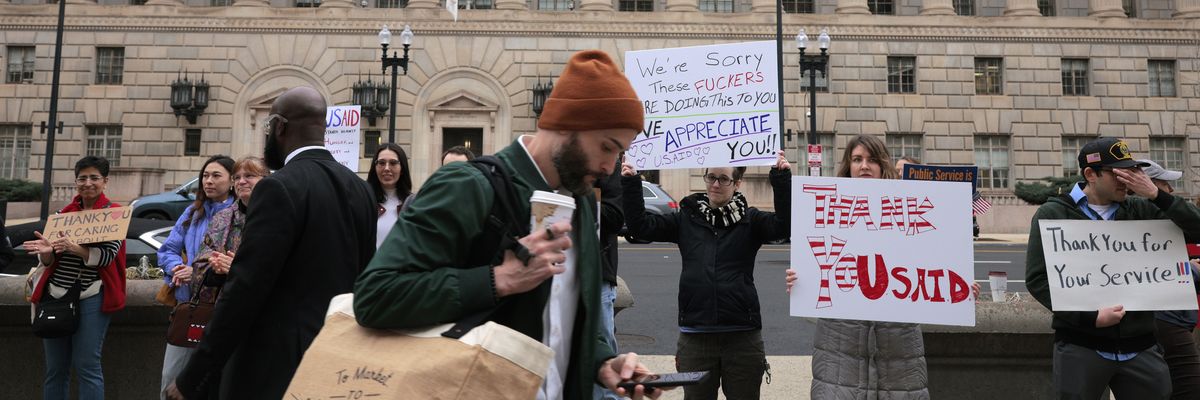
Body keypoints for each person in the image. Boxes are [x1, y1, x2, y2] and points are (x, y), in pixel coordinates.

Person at [353, 50, 662, 400]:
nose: (610, 166)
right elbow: (375, 297)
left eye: (619, 153)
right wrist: (497, 280)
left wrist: (604, 361)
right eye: (607, 147)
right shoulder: (466, 186)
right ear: (564, 124)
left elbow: (563, 321)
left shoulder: (583, 204)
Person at [166, 86, 377, 400]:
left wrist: (192, 377)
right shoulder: (360, 189)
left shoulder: (278, 188)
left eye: (269, 127)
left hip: (277, 367)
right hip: (340, 359)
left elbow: (246, 288)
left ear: (280, 126)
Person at [1025, 138, 1200, 400]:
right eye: (1117, 173)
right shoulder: (1054, 213)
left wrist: (1156, 194)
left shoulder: (1142, 209)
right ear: (1090, 174)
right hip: (1081, 346)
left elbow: (1195, 228)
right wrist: (1088, 317)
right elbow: (1038, 279)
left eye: (1131, 172)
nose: (1126, 180)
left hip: (1141, 347)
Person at [621, 150, 791, 399]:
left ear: (737, 183)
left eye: (724, 179)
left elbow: (784, 225)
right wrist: (631, 181)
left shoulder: (750, 220)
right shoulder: (686, 219)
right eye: (711, 176)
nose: (715, 184)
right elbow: (641, 226)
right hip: (696, 336)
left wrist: (781, 178)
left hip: (742, 335)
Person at [786, 134, 930, 399]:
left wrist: (959, 290)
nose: (864, 165)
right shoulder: (825, 212)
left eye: (872, 160)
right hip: (840, 349)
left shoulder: (910, 211)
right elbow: (816, 276)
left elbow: (934, 269)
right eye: (857, 159)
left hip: (898, 350)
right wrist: (801, 281)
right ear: (848, 166)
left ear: (883, 166)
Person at [25, 155, 127, 400]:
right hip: (55, 296)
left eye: (94, 178)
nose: (88, 183)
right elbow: (48, 262)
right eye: (82, 178)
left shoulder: (115, 214)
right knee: (55, 369)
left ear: (105, 181)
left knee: (87, 366)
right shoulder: (63, 214)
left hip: (92, 295)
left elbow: (107, 257)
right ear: (75, 182)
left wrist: (76, 248)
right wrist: (48, 254)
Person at [158, 155, 236, 399]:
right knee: (170, 380)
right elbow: (168, 249)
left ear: (232, 181)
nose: (208, 181)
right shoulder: (192, 211)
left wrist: (198, 271)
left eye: (216, 176)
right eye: (205, 176)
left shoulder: (240, 215)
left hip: (221, 310)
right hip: (187, 307)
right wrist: (176, 268)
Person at [1139, 158, 1200, 400]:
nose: (1171, 191)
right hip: (1167, 317)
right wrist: (1193, 271)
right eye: (1165, 184)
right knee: (1188, 388)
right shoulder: (1152, 215)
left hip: (1170, 316)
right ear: (1147, 186)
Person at [191, 156, 270, 300]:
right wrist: (216, 268)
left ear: (266, 180)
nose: (241, 181)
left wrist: (240, 268)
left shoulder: (278, 215)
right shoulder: (222, 218)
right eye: (237, 177)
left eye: (249, 176)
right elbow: (199, 263)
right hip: (226, 304)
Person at [594, 161, 624, 400]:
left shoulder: (607, 163)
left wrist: (574, 200)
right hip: (554, 272)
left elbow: (615, 217)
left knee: (603, 351)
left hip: (598, 274)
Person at [367, 143, 414, 249]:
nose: (387, 168)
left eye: (393, 163)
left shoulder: (414, 204)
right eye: (381, 163)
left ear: (402, 168)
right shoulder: (363, 201)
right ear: (375, 167)